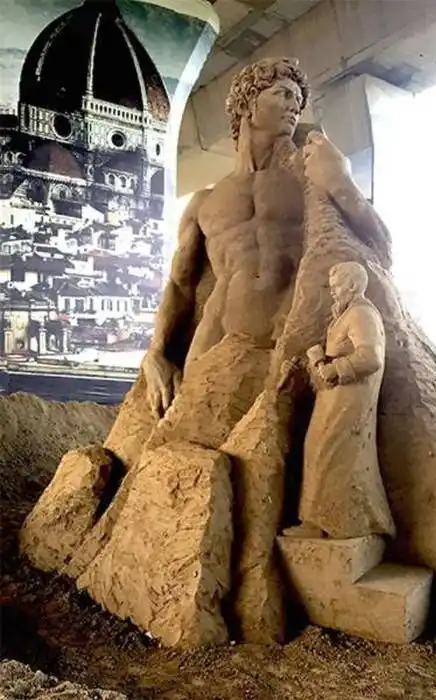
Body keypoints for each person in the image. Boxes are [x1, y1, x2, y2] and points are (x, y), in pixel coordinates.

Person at [140, 57, 393, 432]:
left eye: (298, 101)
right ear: (248, 104)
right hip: (213, 340)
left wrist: (341, 183)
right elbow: (180, 285)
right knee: (185, 442)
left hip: (281, 342)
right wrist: (157, 352)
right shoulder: (204, 202)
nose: (294, 107)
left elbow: (381, 247)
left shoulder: (311, 179)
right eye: (283, 94)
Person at [283, 261, 395, 539]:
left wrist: (333, 369)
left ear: (353, 286)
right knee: (324, 451)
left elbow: (370, 357)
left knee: (327, 453)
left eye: (336, 286)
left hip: (347, 398)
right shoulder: (349, 313)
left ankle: (322, 523)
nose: (332, 291)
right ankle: (339, 521)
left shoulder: (361, 314)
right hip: (336, 397)